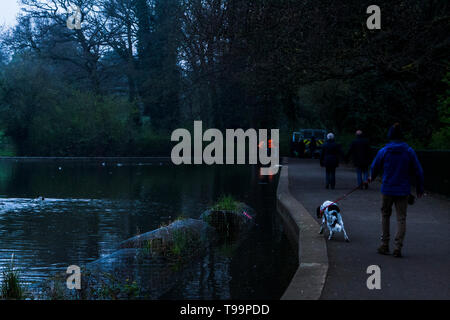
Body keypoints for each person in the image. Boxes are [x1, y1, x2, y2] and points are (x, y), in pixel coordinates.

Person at [369, 123, 424, 258]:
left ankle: (384, 245)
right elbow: (419, 171)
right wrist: (419, 188)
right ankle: (398, 247)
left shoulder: (384, 150)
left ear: (390, 136)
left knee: (385, 215)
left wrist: (371, 177)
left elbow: (375, 166)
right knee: (401, 218)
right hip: (403, 189)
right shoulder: (409, 151)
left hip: (387, 188)